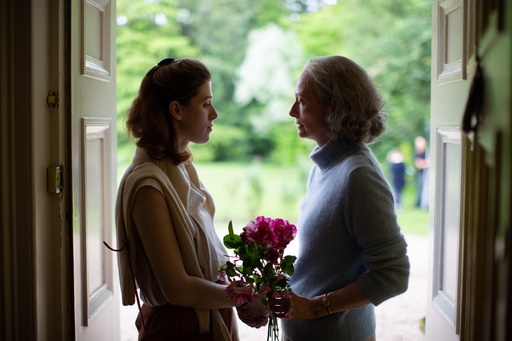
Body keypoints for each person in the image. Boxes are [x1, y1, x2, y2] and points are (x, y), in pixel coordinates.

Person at [114, 58, 266, 341]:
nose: (215, 113)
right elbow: (178, 288)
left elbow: (204, 254)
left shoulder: (182, 168)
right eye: (206, 103)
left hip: (209, 315)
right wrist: (243, 298)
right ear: (176, 110)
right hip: (180, 327)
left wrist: (238, 289)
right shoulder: (149, 187)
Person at [276, 56, 410, 341]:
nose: (291, 111)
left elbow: (394, 274)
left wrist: (315, 308)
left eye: (301, 100)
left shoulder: (358, 176)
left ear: (333, 105)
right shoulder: (326, 165)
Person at [414, 136, 429, 209]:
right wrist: (426, 162)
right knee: (420, 189)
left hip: (426, 174)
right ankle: (419, 204)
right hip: (420, 174)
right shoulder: (417, 154)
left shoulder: (426, 152)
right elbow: (419, 165)